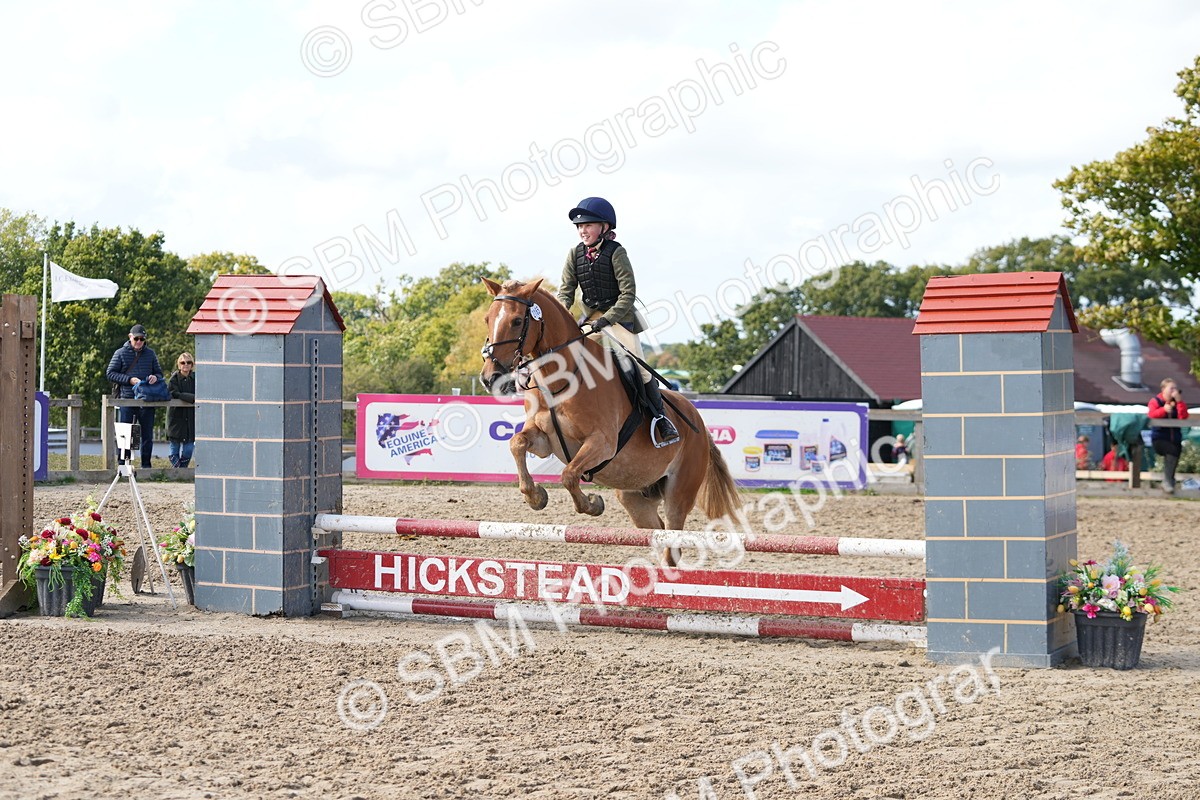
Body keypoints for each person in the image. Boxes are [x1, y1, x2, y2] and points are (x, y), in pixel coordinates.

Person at [556, 196, 679, 447]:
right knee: (565, 354)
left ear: (604, 227)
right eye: (580, 226)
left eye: (588, 225)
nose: (583, 230)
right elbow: (566, 292)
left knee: (640, 366)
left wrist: (608, 319)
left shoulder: (617, 253)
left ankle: (660, 419)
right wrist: (561, 315)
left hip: (620, 319)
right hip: (589, 319)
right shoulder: (574, 254)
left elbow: (628, 294)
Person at [106, 324, 164, 468]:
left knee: (147, 435)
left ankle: (146, 466)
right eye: (136, 338)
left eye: (142, 339)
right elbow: (110, 373)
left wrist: (155, 377)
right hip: (127, 398)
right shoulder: (120, 353)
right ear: (130, 337)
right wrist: (129, 380)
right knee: (126, 434)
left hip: (146, 398)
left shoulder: (150, 354)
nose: (139, 342)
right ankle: (123, 465)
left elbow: (159, 373)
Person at [1148, 378, 1189, 494]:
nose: (1174, 391)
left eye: (1175, 388)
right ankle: (1167, 481)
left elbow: (1183, 417)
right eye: (1171, 388)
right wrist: (1163, 410)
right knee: (1172, 450)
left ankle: (1169, 480)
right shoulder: (1155, 401)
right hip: (1159, 438)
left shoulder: (1178, 402)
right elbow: (1151, 414)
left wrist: (1180, 402)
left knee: (1175, 452)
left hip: (1174, 438)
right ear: (1163, 389)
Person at [167, 352, 196, 468]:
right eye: (183, 362)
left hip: (190, 417)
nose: (186, 365)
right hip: (176, 417)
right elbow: (173, 393)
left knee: (189, 448)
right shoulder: (174, 379)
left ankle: (182, 471)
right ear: (179, 365)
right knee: (174, 447)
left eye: (189, 362)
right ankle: (177, 471)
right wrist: (192, 398)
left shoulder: (195, 378)